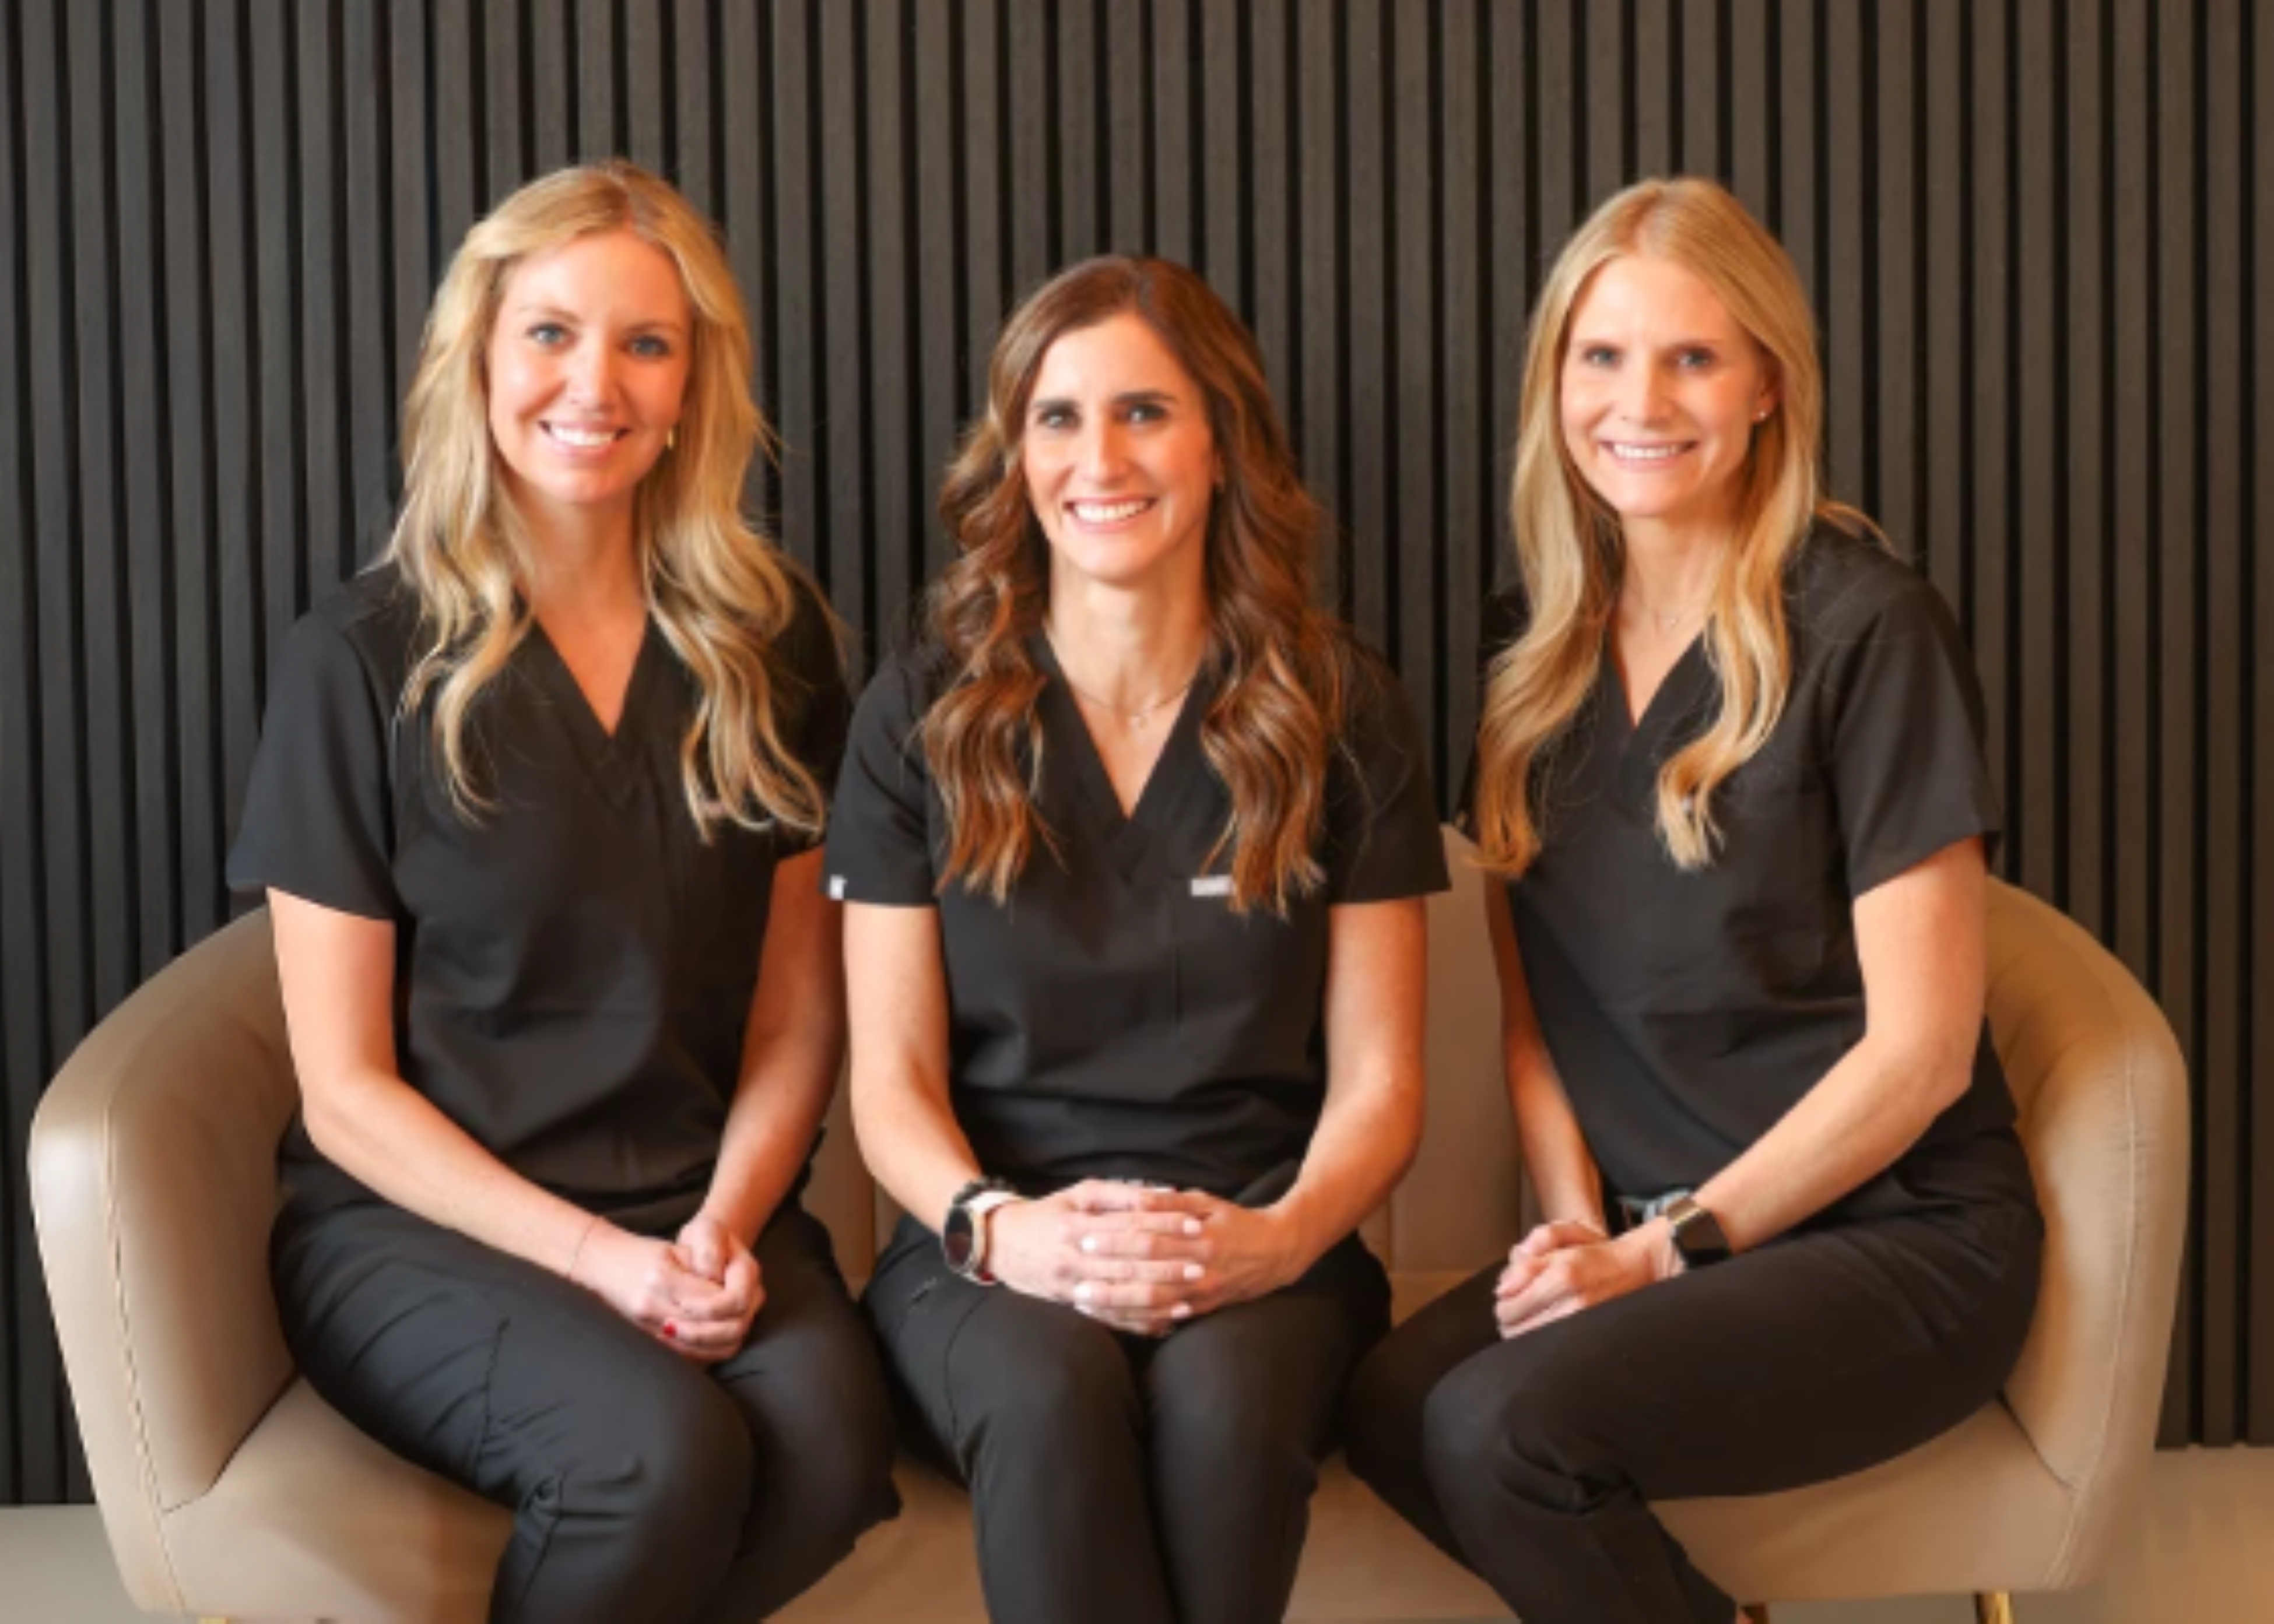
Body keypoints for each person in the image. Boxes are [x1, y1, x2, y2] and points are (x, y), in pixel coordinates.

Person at [1343, 176, 2044, 1624]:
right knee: (1392, 1399)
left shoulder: (1869, 627)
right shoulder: (1532, 645)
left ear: (1769, 384)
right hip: (1654, 1226)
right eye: (1600, 357)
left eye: (1692, 357)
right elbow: (1537, 1001)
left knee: (1501, 1428)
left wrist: (1672, 1249)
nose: (1638, 402)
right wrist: (1569, 1227)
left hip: (1890, 1238)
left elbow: (1919, 1054)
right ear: (1555, 382)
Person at [227, 160, 899, 1623]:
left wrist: (719, 1229)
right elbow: (342, 1093)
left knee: (839, 1453)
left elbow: (799, 1016)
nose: (593, 381)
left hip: (697, 1201)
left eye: (645, 344)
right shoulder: (357, 660)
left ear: (689, 387)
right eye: (550, 332)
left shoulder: (769, 647)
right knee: (654, 1458)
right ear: (478, 355)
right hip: (420, 1230)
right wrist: (604, 1264)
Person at [824, 254, 1448, 1624]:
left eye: (1145, 413)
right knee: (1048, 1396)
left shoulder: (1340, 709)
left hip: (1271, 1242)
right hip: (984, 1252)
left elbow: (1385, 1085)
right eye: (1057, 417)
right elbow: (891, 1085)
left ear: (1223, 443)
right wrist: (1005, 1235)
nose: (1097, 456)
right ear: (1015, 451)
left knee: (1228, 1413)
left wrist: (1277, 1242)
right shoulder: (921, 714)